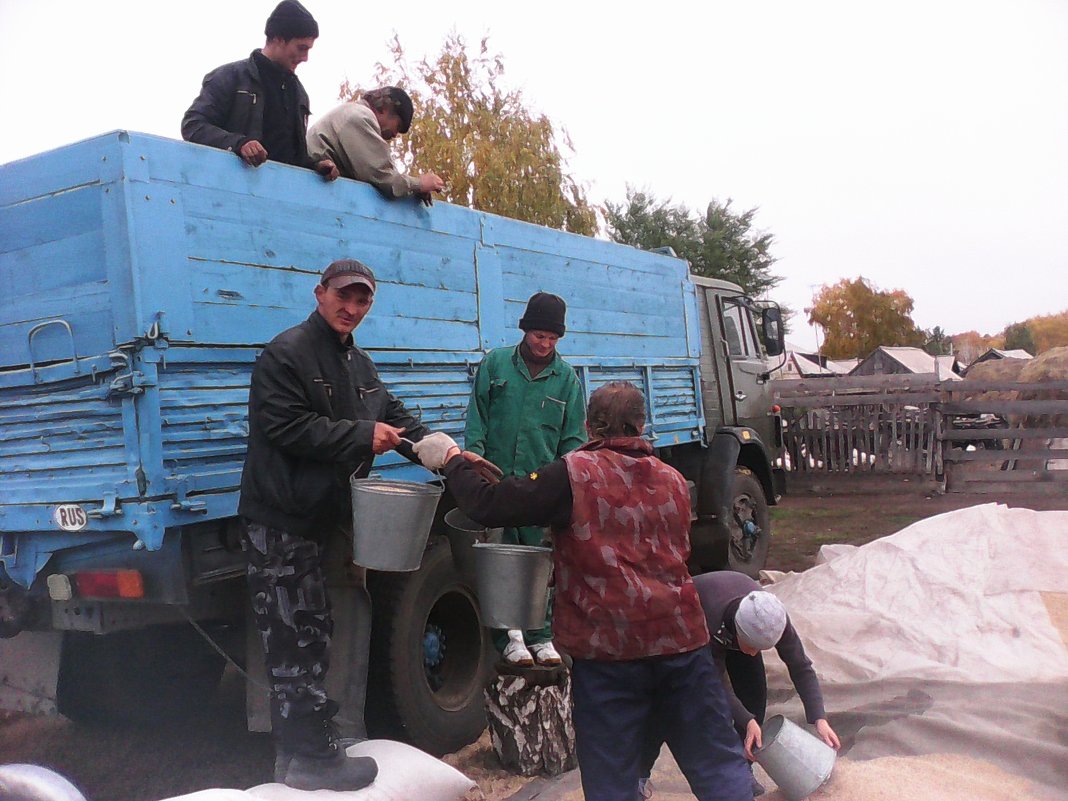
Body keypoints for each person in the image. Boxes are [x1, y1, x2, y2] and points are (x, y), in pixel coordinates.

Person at [413, 381, 753, 801]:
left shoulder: (572, 474)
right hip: (682, 644)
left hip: (609, 655)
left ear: (589, 426)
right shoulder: (674, 481)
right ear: (642, 424)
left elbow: (489, 506)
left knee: (612, 778)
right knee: (718, 766)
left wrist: (451, 461)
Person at [238, 258, 440, 791]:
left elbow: (393, 417)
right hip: (281, 521)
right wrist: (358, 436)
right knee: (293, 641)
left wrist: (445, 454)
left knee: (314, 635)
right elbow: (283, 426)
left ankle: (297, 762)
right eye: (343, 297)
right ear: (320, 292)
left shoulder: (358, 364)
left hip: (322, 520)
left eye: (363, 300)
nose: (352, 308)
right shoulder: (286, 354)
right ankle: (310, 760)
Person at [462, 292, 586, 667]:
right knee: (501, 558)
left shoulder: (566, 380)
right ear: (525, 330)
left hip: (539, 488)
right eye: (538, 336)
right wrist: (477, 462)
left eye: (552, 338)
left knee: (538, 561)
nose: (544, 344)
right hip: (496, 482)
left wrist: (558, 482)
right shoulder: (496, 365)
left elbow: (573, 441)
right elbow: (477, 418)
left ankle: (540, 635)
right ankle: (510, 637)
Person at [640, 572, 842, 797]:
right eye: (752, 646)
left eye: (761, 649)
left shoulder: (773, 619)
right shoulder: (706, 621)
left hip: (735, 626)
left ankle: (742, 770)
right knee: (664, 706)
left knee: (754, 694)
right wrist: (746, 720)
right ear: (738, 631)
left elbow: (801, 666)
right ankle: (638, 775)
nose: (756, 653)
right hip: (677, 632)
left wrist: (818, 718)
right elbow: (714, 683)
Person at [181, 1, 339, 180]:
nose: (305, 58)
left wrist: (314, 166)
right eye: (301, 48)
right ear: (278, 38)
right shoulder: (230, 77)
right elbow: (192, 126)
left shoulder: (299, 93)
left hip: (279, 196)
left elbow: (291, 155)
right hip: (229, 190)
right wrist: (239, 144)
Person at [307, 87, 445, 202]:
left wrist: (411, 190)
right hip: (311, 187)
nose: (395, 134)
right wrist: (420, 184)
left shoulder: (349, 111)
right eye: (398, 126)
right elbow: (383, 177)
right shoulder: (361, 118)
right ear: (384, 109)